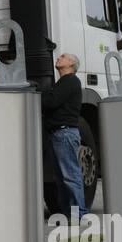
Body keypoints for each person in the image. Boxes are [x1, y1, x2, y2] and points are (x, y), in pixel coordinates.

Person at [42, 52, 86, 220]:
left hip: (64, 133)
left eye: (64, 56)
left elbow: (51, 102)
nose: (59, 57)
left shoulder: (70, 81)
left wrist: (39, 95)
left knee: (70, 176)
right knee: (62, 178)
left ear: (71, 64)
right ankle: (69, 214)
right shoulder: (64, 82)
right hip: (60, 133)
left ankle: (79, 214)